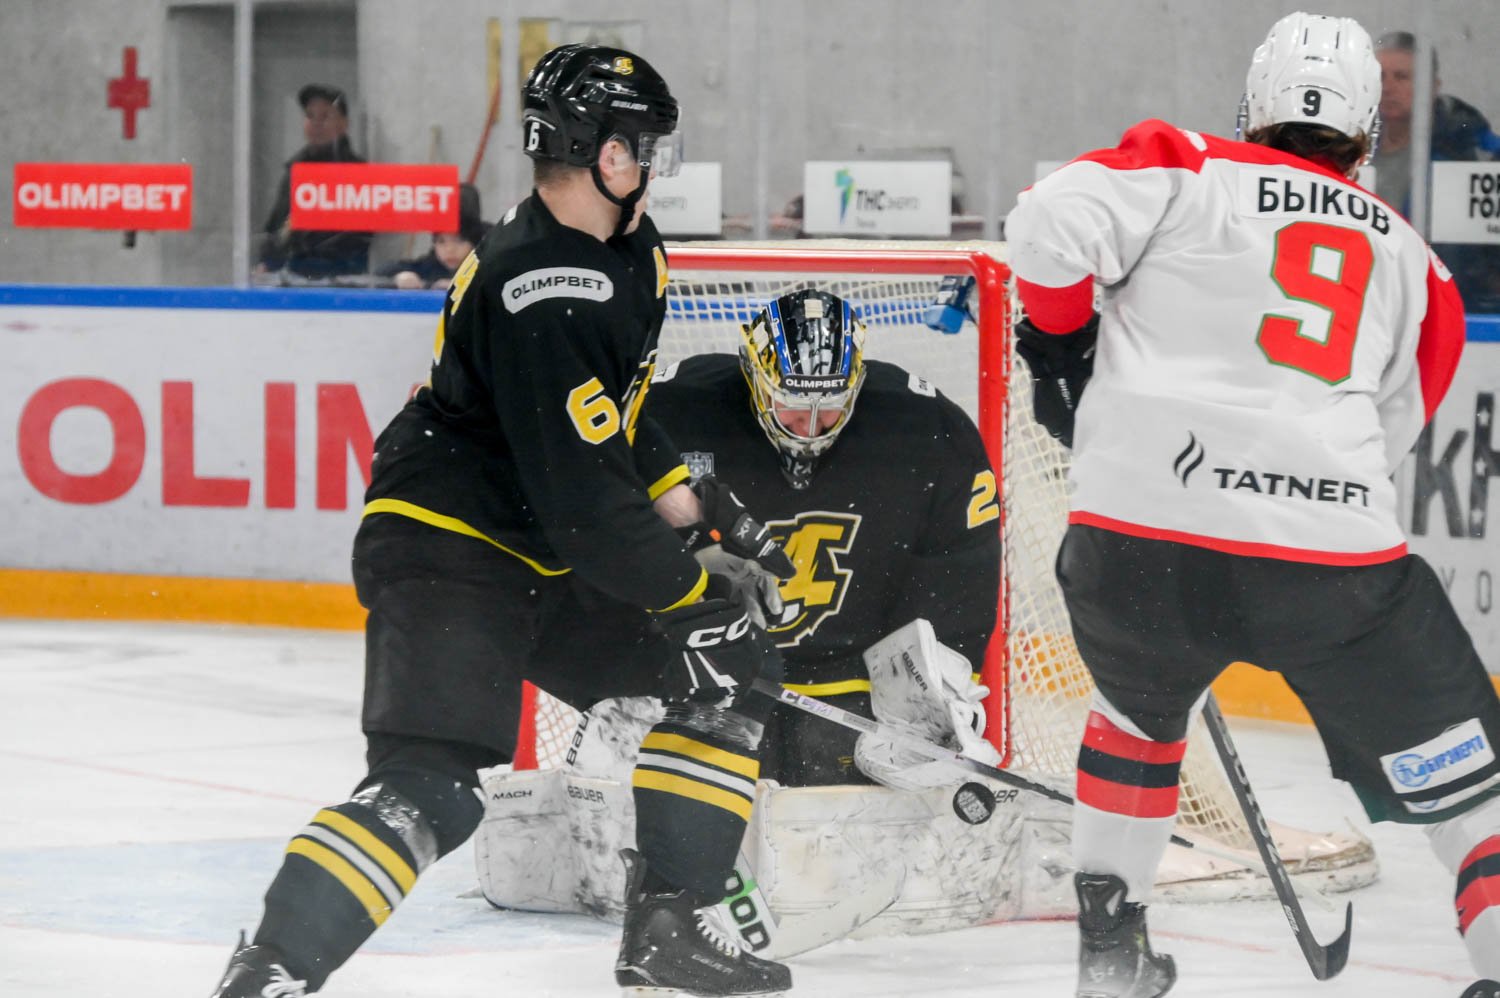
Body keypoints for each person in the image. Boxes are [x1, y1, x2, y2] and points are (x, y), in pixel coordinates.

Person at [209, 44, 797, 998]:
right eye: (647, 147)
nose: (656, 166)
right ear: (609, 155)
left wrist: (695, 507)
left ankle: (666, 926)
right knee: (431, 789)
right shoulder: (546, 288)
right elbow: (586, 509)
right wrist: (691, 594)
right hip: (450, 547)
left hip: (537, 546)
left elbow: (611, 414)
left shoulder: (623, 249)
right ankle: (267, 974)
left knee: (733, 674)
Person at [1006, 12, 1500, 998]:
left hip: (1133, 542)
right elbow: (1391, 430)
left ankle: (1112, 955)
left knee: (1135, 713)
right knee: (1470, 781)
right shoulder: (1418, 261)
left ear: (1252, 107)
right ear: (1368, 132)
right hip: (1324, 557)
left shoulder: (1182, 165)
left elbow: (1044, 224)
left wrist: (1059, 349)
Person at [1372, 31, 1500, 311]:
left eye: (1401, 77)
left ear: (1433, 87)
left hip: (1451, 309)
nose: (1388, 87)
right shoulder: (1349, 150)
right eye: (1379, 77)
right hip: (1367, 303)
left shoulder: (1474, 154)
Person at [256, 83, 374, 279]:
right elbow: (277, 225)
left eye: (325, 116)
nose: (316, 123)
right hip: (292, 275)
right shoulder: (295, 170)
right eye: (310, 116)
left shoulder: (358, 173)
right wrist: (267, 261)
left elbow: (360, 237)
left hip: (343, 278)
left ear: (344, 124)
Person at [378, 183, 489, 289]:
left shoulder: (489, 258)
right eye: (441, 241)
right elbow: (382, 272)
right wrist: (400, 276)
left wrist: (462, 286)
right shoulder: (432, 264)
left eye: (459, 240)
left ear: (475, 241)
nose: (449, 249)